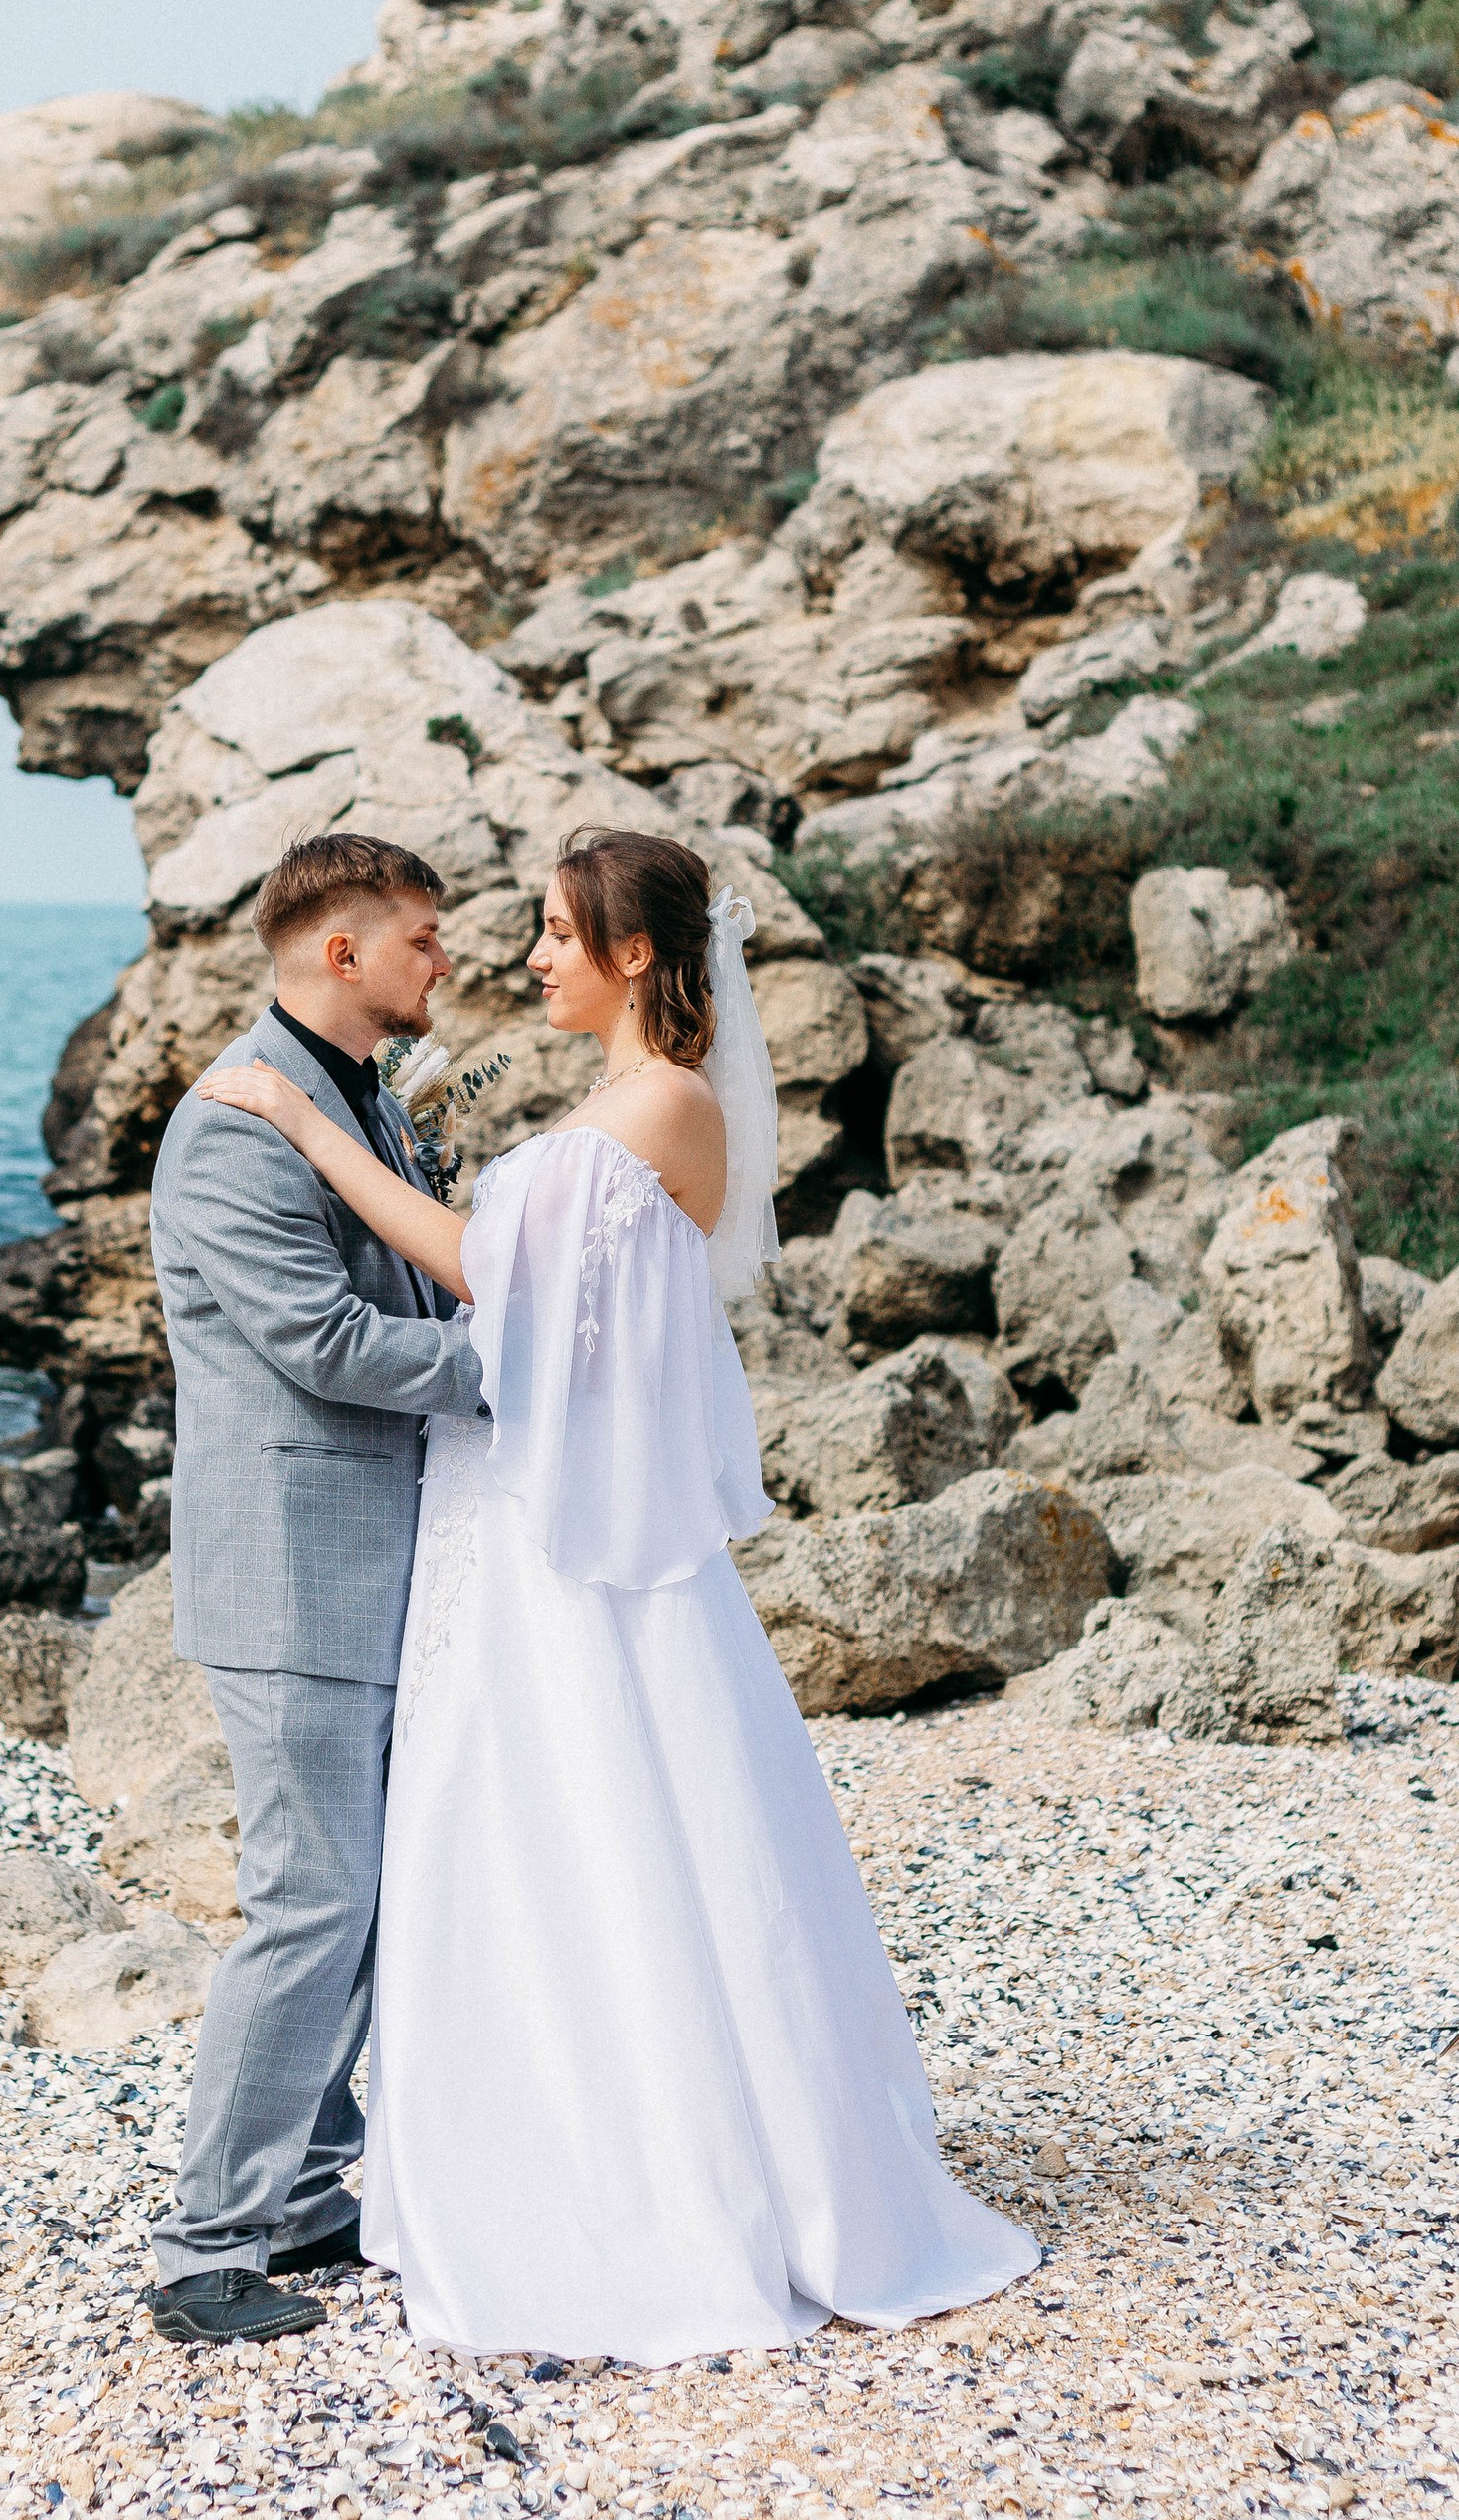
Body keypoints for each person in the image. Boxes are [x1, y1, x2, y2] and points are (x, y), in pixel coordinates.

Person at [196, 826, 1038, 2367]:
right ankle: (316, 2199)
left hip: (540, 1531)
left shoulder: (655, 1105)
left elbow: (494, 1285)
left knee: (558, 1834)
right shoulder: (613, 1104)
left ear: (633, 953)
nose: (516, 957)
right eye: (462, 931)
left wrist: (330, 1149)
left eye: (552, 932)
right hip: (481, 1531)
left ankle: (602, 2175)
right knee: (481, 1848)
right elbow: (474, 1305)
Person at [141, 830, 486, 2348]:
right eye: (422, 937)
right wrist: (515, 1365)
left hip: (375, 1558)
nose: (444, 959)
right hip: (292, 1574)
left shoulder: (366, 1101)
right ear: (341, 952)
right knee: (310, 1902)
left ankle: (298, 2193)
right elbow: (323, 1343)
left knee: (363, 1895)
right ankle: (202, 2247)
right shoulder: (236, 1124)